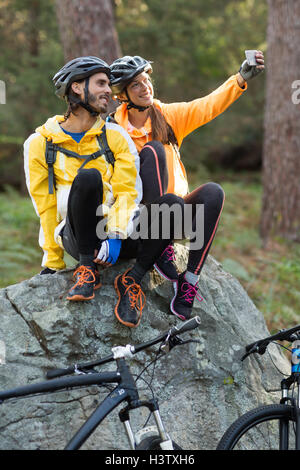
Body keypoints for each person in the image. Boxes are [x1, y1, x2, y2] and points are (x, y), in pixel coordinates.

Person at [24, 56, 184, 328]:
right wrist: (52, 262)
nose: (109, 91)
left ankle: (132, 279)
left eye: (108, 84)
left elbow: (128, 191)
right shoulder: (39, 144)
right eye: (101, 83)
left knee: (173, 206)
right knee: (88, 178)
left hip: (117, 238)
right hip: (79, 237)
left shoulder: (115, 136)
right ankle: (87, 270)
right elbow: (46, 207)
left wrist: (116, 235)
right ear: (76, 88)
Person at [109, 52, 265, 321]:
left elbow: (207, 106)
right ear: (122, 94)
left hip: (176, 212)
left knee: (213, 192)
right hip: (137, 223)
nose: (145, 87)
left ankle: (188, 281)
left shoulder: (167, 116)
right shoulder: (112, 129)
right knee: (154, 151)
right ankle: (160, 244)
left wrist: (239, 79)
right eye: (135, 84)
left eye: (146, 80)